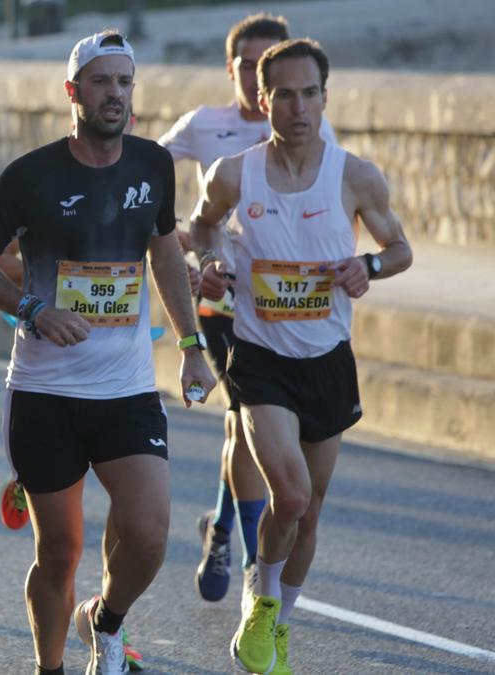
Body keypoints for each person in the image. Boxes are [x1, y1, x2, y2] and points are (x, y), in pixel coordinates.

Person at [0, 31, 216, 675]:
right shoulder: (31, 176)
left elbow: (162, 250)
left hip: (125, 386)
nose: (115, 95)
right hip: (45, 392)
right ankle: (50, 668)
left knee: (151, 533)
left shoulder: (154, 165)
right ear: (72, 92)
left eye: (125, 82)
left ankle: (104, 620)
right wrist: (34, 309)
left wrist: (191, 345)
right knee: (61, 551)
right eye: (101, 82)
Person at [189, 38, 412, 675]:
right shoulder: (234, 172)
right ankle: (257, 608)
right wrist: (210, 265)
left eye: (308, 93)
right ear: (263, 101)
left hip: (328, 359)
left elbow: (400, 249)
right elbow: (203, 227)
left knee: (310, 510)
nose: (297, 107)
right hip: (260, 359)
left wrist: (367, 265)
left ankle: (280, 624)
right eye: (282, 94)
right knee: (288, 497)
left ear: (323, 98)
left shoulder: (357, 176)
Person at [157, 12, 337, 605]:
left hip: (290, 315)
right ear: (239, 72)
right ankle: (233, 541)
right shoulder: (204, 127)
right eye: (251, 66)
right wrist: (179, 241)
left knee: (247, 430)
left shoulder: (315, 135)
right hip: (221, 301)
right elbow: (147, 175)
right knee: (241, 419)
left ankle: (223, 526)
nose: (283, 97)